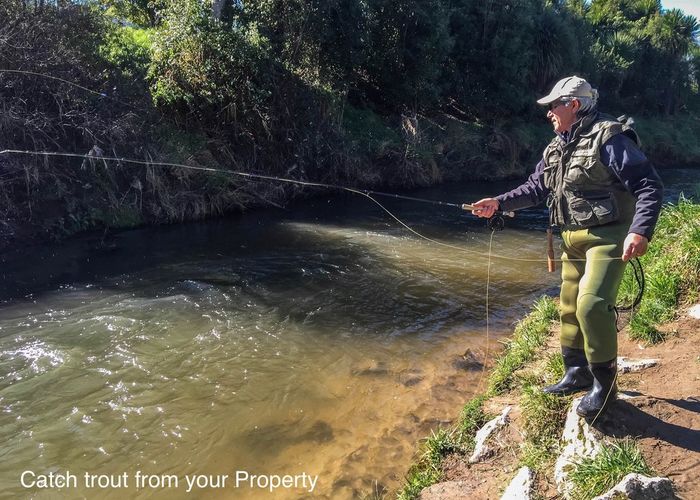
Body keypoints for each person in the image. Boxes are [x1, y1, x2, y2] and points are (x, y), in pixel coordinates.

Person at [471, 76, 663, 419]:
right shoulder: (556, 146)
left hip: (609, 236)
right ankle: (576, 373)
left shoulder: (610, 137)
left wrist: (640, 231)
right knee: (569, 307)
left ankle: (606, 388)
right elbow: (535, 188)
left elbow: (648, 185)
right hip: (571, 238)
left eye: (553, 106)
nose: (548, 113)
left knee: (591, 306)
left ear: (574, 105)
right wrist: (498, 203)